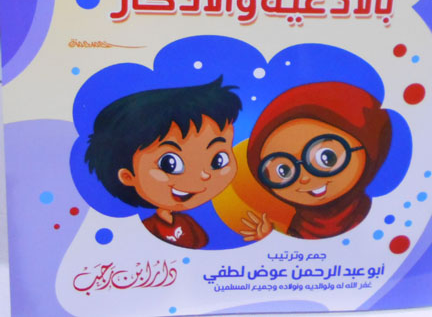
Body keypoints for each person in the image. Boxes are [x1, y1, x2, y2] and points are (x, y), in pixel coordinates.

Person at [85, 76, 241, 249]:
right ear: (127, 176)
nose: (204, 174)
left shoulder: (186, 221)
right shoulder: (145, 232)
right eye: (170, 164)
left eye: (218, 160)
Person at [244, 81, 391, 240]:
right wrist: (270, 240)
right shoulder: (299, 227)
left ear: (370, 148)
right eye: (284, 171)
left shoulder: (379, 217)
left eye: (327, 158)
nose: (304, 178)